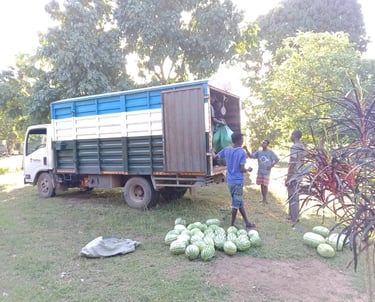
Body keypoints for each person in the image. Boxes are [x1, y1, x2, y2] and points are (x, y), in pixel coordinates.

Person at [215, 132, 256, 229]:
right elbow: (241, 169)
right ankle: (232, 225)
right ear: (238, 140)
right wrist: (248, 170)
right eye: (242, 139)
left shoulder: (227, 149)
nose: (243, 141)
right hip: (238, 181)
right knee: (235, 203)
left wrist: (213, 151)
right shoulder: (241, 152)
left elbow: (216, 156)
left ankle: (247, 223)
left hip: (230, 180)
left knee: (239, 201)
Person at [285, 130, 306, 223]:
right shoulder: (302, 147)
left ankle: (294, 218)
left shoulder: (294, 147)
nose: (291, 136)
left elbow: (292, 162)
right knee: (295, 196)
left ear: (295, 136)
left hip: (294, 174)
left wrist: (288, 177)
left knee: (292, 196)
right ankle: (292, 216)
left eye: (292, 134)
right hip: (300, 173)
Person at [250, 140, 279, 204]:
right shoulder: (259, 152)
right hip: (260, 171)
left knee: (265, 185)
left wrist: (271, 165)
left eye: (265, 143)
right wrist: (246, 150)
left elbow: (277, 159)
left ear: (267, 144)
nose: (263, 144)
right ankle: (263, 199)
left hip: (266, 172)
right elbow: (251, 156)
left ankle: (265, 199)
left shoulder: (270, 152)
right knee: (261, 185)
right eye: (262, 142)